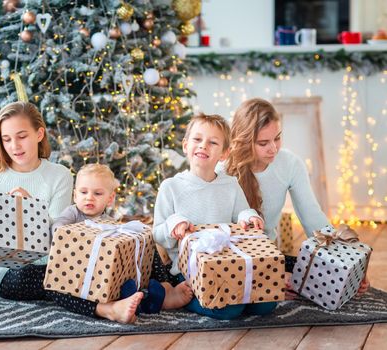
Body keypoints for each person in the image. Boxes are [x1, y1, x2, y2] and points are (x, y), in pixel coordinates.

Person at [0, 101, 142, 323]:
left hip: (56, 262)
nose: (14, 146)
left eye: (22, 136)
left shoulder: (59, 175)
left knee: (79, 269)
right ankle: (107, 310)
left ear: (39, 134)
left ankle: (152, 295)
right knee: (52, 278)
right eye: (6, 139)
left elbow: (60, 239)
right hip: (11, 275)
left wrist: (31, 211)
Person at [225, 97, 369, 294]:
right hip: (228, 260)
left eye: (277, 138)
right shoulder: (223, 170)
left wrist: (343, 264)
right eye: (263, 143)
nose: (273, 148)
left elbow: (313, 219)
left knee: (317, 271)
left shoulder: (290, 164)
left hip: (270, 257)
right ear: (244, 141)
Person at [153, 113, 275, 320]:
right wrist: (174, 226)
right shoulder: (171, 187)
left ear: (224, 153)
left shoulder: (230, 185)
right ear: (185, 145)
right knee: (230, 310)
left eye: (212, 142)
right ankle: (184, 296)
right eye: (197, 139)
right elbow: (157, 233)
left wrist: (249, 217)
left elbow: (241, 213)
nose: (203, 146)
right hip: (190, 270)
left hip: (228, 263)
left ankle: (239, 297)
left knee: (267, 305)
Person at [52, 163, 193, 313]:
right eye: (83, 192)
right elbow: (58, 228)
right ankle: (127, 299)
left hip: (102, 273)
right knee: (59, 287)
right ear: (75, 195)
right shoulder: (73, 213)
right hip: (75, 270)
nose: (89, 198)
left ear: (110, 198)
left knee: (148, 246)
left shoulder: (109, 222)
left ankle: (165, 288)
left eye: (97, 194)